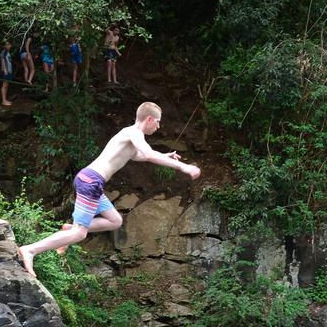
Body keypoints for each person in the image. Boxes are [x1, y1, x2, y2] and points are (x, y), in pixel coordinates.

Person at [17, 102, 200, 276]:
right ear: (150, 119)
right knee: (79, 233)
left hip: (91, 182)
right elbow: (148, 154)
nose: (159, 127)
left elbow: (139, 156)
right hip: (90, 181)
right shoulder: (135, 133)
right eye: (158, 122)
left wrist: (165, 155)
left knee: (114, 221)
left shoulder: (129, 135)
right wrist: (184, 167)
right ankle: (30, 250)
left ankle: (69, 228)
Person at [0, 39, 14, 107]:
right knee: (4, 86)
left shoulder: (8, 52)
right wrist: (5, 70)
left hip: (9, 71)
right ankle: (3, 101)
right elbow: (2, 61)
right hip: (6, 71)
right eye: (6, 44)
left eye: (9, 44)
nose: (7, 46)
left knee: (6, 86)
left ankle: (5, 100)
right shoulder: (4, 52)